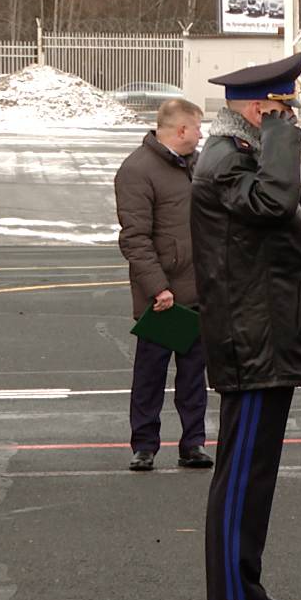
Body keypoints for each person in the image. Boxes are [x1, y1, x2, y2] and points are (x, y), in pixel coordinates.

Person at [192, 53, 301, 600]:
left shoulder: (241, 157)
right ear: (259, 109)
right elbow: (275, 203)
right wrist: (282, 137)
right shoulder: (226, 162)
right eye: (284, 110)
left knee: (255, 472)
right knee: (243, 471)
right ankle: (233, 594)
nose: (292, 121)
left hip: (265, 340)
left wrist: (276, 136)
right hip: (252, 343)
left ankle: (243, 586)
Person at [116, 97, 211, 473]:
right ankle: (144, 445)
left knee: (194, 378)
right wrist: (159, 288)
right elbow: (134, 239)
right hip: (162, 298)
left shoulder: (198, 165)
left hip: (198, 291)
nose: (201, 135)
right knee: (150, 376)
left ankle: (194, 444)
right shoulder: (137, 170)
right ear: (181, 130)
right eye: (198, 127)